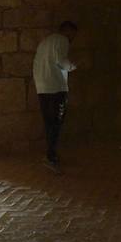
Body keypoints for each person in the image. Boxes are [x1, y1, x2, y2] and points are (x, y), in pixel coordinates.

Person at [32, 21, 78, 172]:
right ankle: (51, 157)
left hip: (42, 88)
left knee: (49, 123)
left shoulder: (44, 42)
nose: (73, 37)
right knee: (56, 123)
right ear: (67, 31)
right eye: (72, 33)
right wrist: (73, 66)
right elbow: (61, 61)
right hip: (56, 88)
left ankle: (51, 154)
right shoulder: (62, 40)